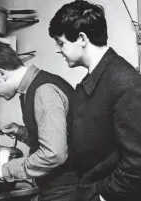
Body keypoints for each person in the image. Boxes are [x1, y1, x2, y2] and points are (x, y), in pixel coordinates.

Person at [49, 1, 141, 201]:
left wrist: (101, 195)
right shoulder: (91, 82)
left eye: (61, 42)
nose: (58, 49)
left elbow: (137, 162)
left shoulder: (124, 81)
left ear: (82, 38)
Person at [0, 41, 78, 201]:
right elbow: (57, 139)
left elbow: (54, 154)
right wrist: (21, 133)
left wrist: (5, 170)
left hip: (66, 191)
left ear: (1, 74)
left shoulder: (43, 91)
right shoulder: (32, 89)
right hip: (57, 189)